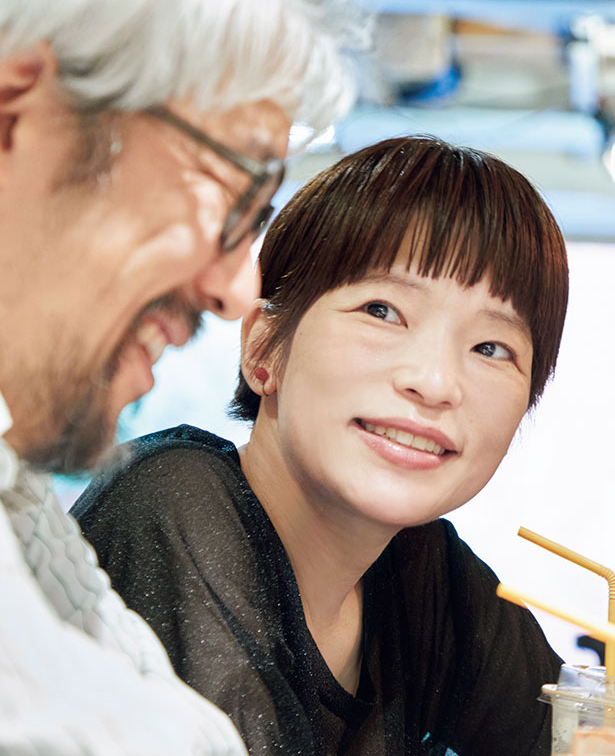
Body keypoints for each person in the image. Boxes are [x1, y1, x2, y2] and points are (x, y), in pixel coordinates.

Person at [75, 135, 571, 755]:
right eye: (382, 311)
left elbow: (582, 735)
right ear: (264, 349)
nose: (436, 382)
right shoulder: (176, 505)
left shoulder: (422, 571)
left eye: (491, 348)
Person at [0, 0, 365, 753]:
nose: (239, 291)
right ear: (14, 114)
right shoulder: (177, 492)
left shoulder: (16, 496)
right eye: (232, 197)